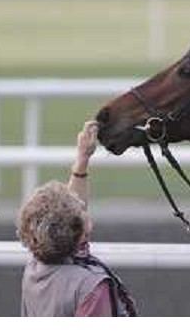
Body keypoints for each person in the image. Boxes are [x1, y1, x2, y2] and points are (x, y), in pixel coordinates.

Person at [17, 120, 137, 317]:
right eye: (81, 210)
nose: (83, 207)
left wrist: (82, 159)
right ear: (81, 233)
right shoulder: (91, 287)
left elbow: (65, 220)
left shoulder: (35, 267)